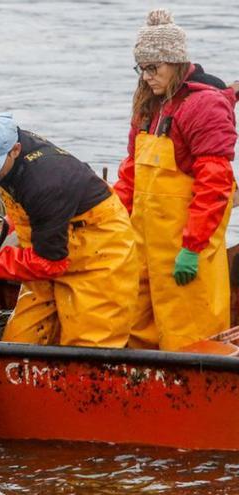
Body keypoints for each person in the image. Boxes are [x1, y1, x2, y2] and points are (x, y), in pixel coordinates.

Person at [0, 113, 139, 347]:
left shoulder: (45, 184)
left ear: (15, 150)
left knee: (88, 346)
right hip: (44, 243)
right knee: (20, 341)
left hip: (99, 249)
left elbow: (51, 263)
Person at [113, 9, 239, 351]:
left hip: (186, 246)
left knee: (190, 338)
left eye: (155, 68)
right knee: (134, 327)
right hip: (143, 242)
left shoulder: (204, 106)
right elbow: (130, 173)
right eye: (142, 68)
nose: (148, 76)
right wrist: (114, 225)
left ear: (177, 62)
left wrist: (192, 247)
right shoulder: (148, 105)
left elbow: (215, 183)